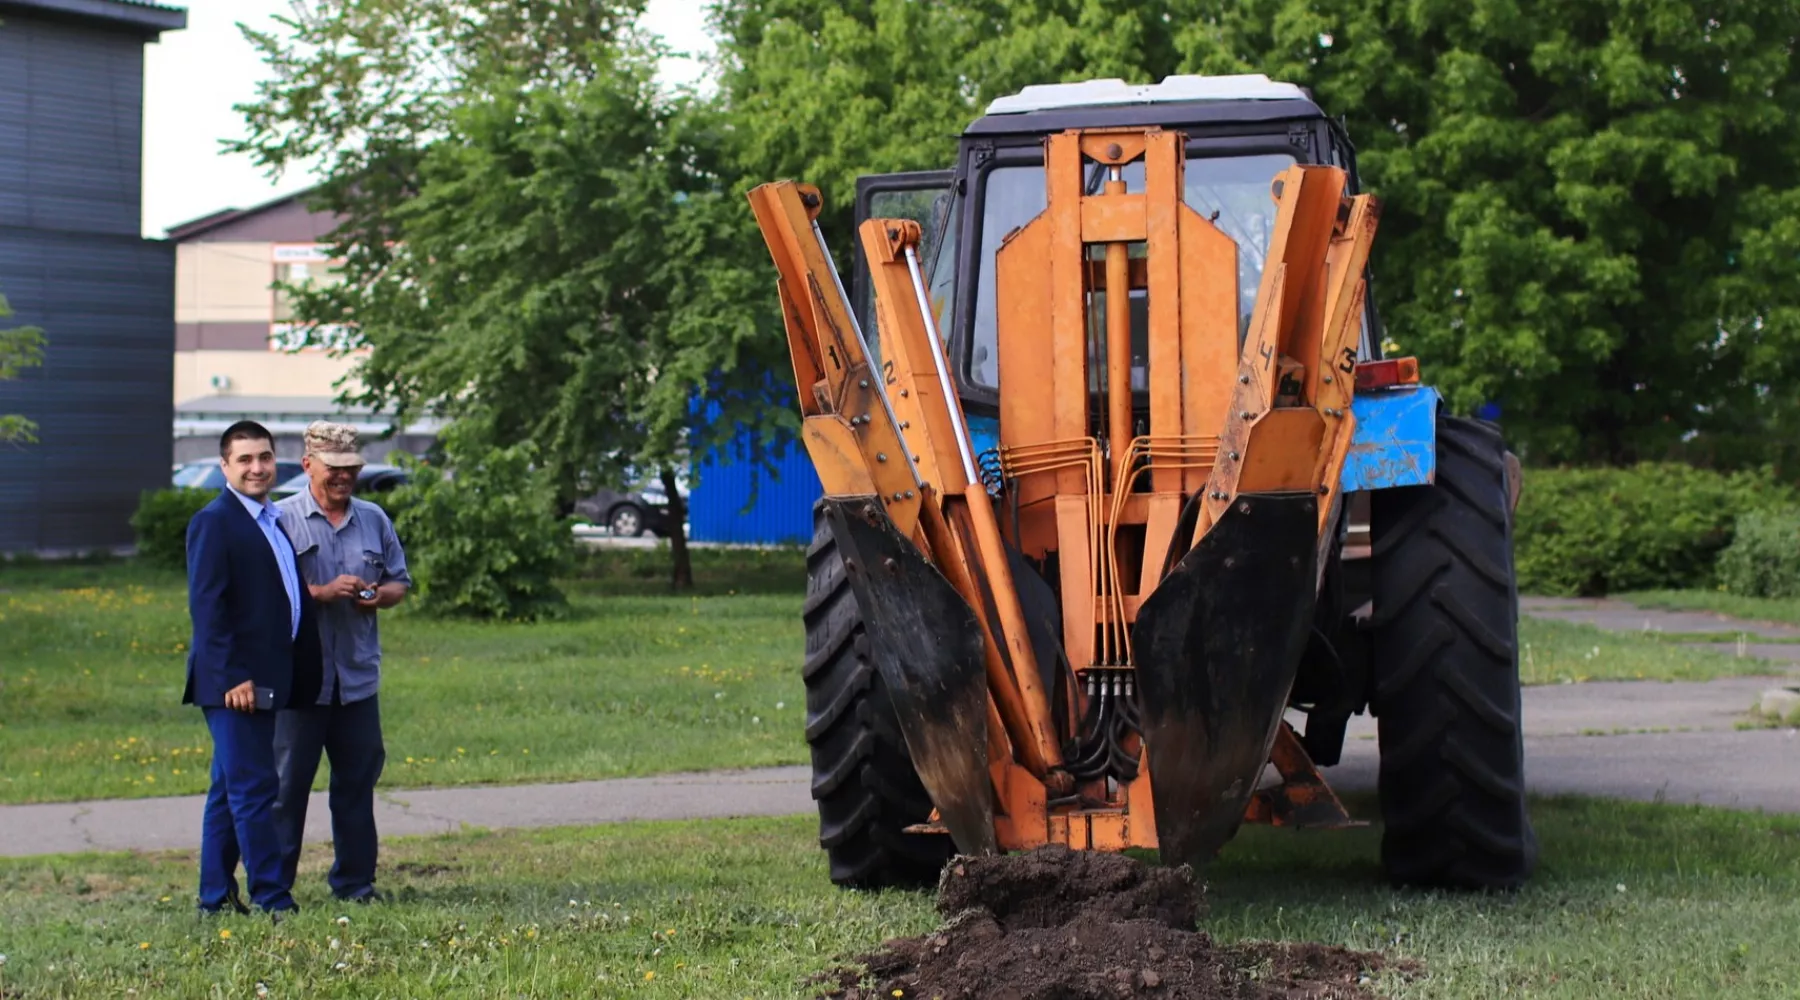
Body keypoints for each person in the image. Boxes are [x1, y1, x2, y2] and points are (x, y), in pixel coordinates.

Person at [183, 419, 322, 920]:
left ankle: (215, 898)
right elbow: (208, 609)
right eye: (244, 459)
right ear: (225, 466)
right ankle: (272, 898)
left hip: (268, 681)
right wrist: (232, 678)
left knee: (229, 792)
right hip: (235, 686)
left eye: (263, 457)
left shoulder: (271, 520)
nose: (257, 467)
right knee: (256, 790)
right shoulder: (215, 521)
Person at [273, 421, 412, 904]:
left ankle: (355, 884)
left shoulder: (374, 518)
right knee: (286, 788)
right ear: (308, 464)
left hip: (356, 680)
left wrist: (378, 595)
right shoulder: (280, 519)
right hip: (299, 683)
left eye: (351, 468)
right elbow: (268, 598)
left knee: (356, 783)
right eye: (334, 468)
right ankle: (275, 888)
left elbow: (399, 582)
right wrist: (319, 593)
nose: (344, 477)